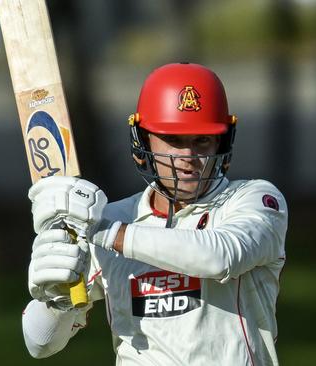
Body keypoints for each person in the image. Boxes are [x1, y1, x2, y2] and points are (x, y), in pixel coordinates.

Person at [23, 62, 288, 365]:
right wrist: (57, 301)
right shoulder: (114, 218)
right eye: (173, 141)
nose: (188, 158)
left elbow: (221, 258)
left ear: (222, 142)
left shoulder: (254, 200)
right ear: (143, 141)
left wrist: (104, 232)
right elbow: (40, 344)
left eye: (202, 140)